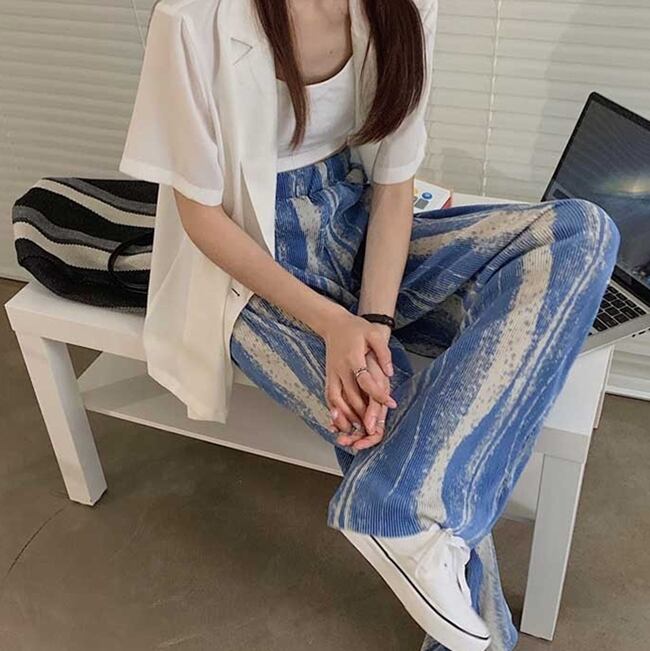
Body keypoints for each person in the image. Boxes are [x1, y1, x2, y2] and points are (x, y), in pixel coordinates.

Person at [118, 1, 620, 649]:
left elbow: (393, 181)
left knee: (581, 230)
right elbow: (202, 219)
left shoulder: (406, 6)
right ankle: (475, 625)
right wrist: (334, 326)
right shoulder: (191, 17)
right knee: (405, 416)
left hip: (355, 224)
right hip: (251, 272)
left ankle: (401, 509)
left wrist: (374, 322)